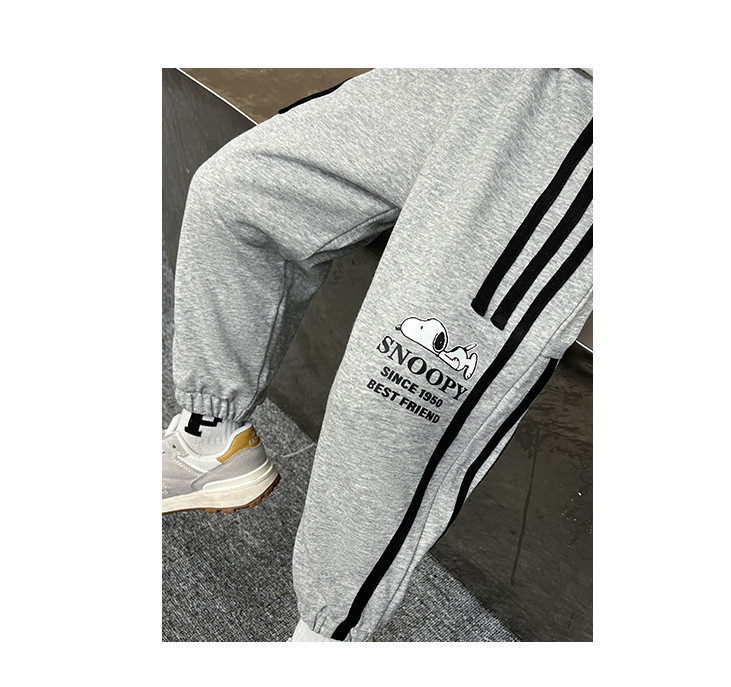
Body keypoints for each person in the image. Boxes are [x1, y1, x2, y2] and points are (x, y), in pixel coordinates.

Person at [162, 68, 593, 642]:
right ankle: (210, 440)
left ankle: (325, 636)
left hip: (579, 104)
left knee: (399, 385)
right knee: (235, 194)